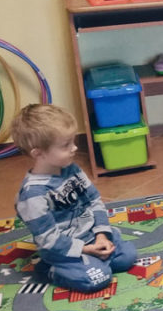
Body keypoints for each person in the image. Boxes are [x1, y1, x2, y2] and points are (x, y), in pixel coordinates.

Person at [10, 104, 136, 292]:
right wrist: (86, 249)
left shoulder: (72, 169)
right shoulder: (32, 195)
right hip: (63, 249)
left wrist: (101, 235)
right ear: (38, 153)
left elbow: (94, 201)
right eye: (65, 145)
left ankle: (95, 260)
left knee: (128, 256)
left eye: (73, 141)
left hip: (92, 236)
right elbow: (48, 239)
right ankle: (50, 269)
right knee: (98, 279)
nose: (74, 148)